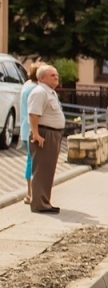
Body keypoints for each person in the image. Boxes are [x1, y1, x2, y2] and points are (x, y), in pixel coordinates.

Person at [26, 64, 66, 214]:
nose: (56, 78)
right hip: (44, 134)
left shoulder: (50, 93)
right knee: (41, 170)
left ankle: (44, 201)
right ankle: (39, 204)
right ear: (42, 78)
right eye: (52, 75)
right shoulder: (40, 92)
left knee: (48, 170)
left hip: (53, 134)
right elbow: (33, 114)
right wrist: (36, 134)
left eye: (56, 75)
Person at [19, 62, 37, 205]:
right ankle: (31, 193)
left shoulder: (26, 85)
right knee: (32, 162)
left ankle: (30, 193)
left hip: (25, 128)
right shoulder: (34, 89)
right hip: (31, 129)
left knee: (30, 160)